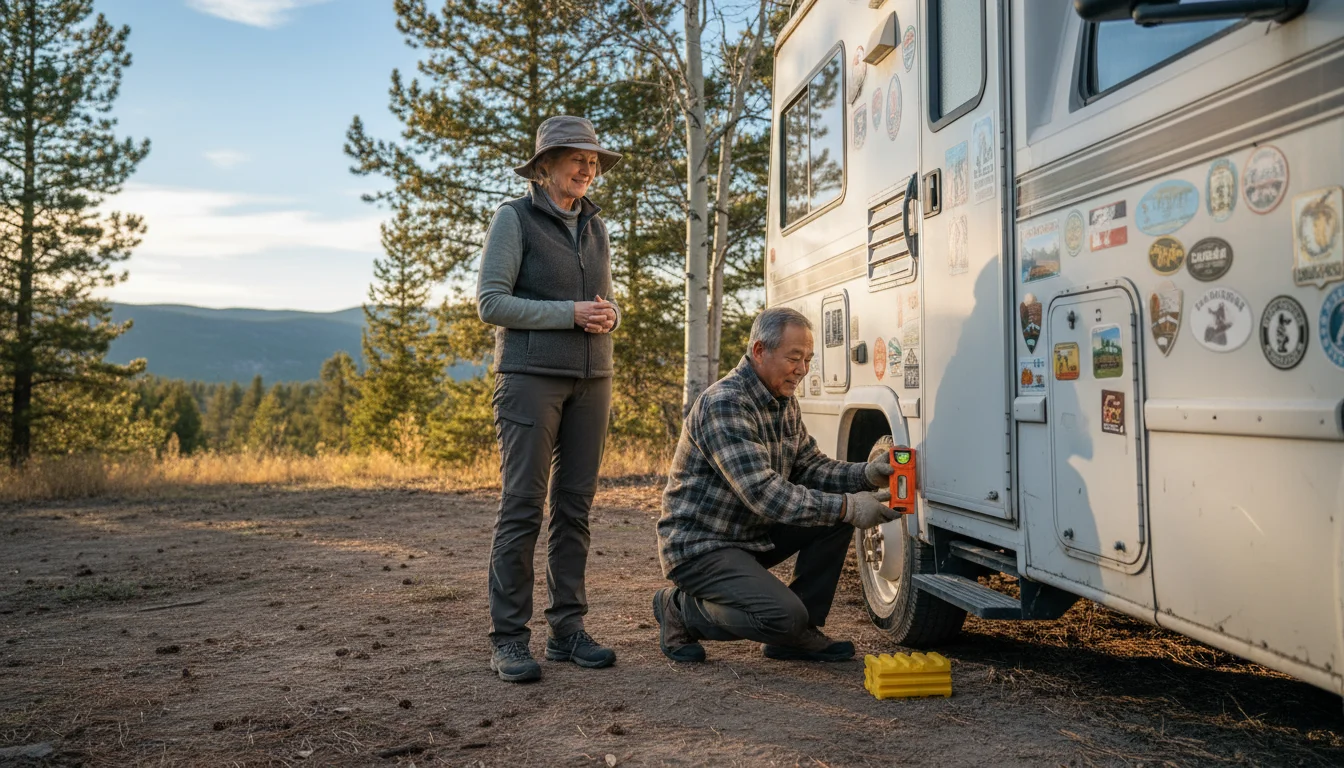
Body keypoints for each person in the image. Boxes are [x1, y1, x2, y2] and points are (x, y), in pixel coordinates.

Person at [652, 307, 898, 662]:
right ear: (759, 351)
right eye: (794, 358)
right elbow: (764, 494)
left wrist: (865, 475)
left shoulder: (784, 401)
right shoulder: (725, 404)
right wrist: (850, 506)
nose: (802, 369)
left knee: (835, 517)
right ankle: (680, 608)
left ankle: (798, 635)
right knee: (782, 616)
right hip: (701, 547)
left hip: (748, 534)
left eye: (808, 359)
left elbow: (810, 466)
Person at [476, 115, 623, 683]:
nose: (588, 168)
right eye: (576, 159)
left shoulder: (595, 225)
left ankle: (567, 631)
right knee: (522, 508)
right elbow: (492, 303)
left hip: (594, 379)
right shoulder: (513, 218)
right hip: (530, 377)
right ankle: (509, 640)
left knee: (575, 509)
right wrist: (570, 314)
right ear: (544, 167)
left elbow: (599, 299)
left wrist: (612, 312)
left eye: (593, 160)